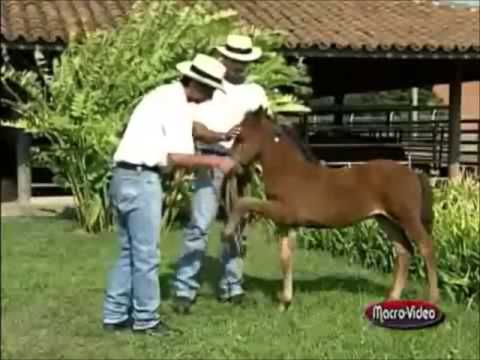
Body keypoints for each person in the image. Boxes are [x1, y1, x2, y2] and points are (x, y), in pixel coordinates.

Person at [103, 54, 241, 336]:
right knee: (146, 255)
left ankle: (114, 315)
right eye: (211, 89)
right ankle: (146, 319)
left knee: (129, 251)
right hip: (143, 179)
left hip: (121, 176)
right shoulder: (177, 105)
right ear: (197, 84)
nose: (212, 96)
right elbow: (176, 156)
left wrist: (219, 136)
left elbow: (193, 129)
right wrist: (218, 162)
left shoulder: (162, 95)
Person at [171, 34, 269, 313]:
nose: (237, 65)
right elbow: (193, 125)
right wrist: (222, 135)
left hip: (242, 165)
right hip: (212, 158)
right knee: (200, 225)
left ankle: (232, 286)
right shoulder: (208, 85)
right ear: (224, 57)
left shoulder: (256, 92)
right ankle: (184, 289)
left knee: (237, 227)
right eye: (233, 59)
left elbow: (264, 127)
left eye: (242, 60)